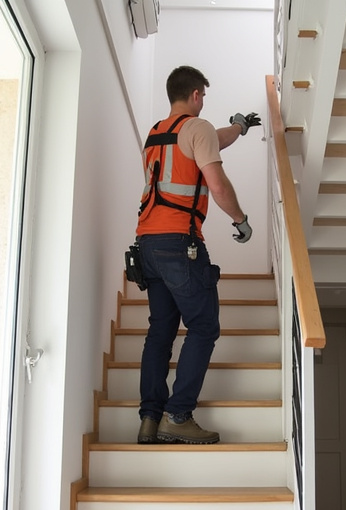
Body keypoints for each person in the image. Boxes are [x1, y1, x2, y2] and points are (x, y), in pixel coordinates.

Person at [134, 65, 261, 444]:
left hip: (147, 244)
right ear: (194, 95)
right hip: (179, 244)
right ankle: (178, 415)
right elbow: (217, 184)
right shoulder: (197, 127)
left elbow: (210, 140)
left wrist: (238, 127)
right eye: (203, 95)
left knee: (160, 332)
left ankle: (149, 419)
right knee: (204, 327)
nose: (203, 102)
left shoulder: (157, 133)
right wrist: (240, 219)